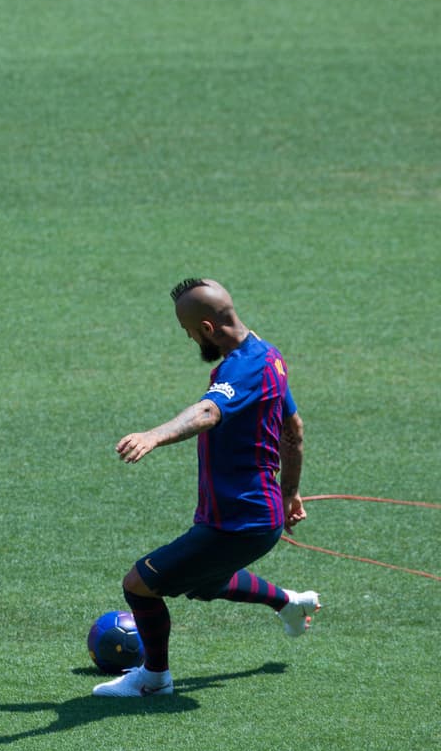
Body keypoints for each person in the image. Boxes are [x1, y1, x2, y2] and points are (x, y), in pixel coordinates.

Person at [92, 278, 320, 697]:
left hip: (239, 521)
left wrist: (154, 435)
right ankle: (290, 602)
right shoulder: (269, 356)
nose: (191, 338)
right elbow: (295, 430)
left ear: (207, 329)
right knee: (203, 582)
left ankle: (154, 679)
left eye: (189, 331)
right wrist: (290, 491)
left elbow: (208, 411)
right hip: (249, 515)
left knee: (138, 584)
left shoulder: (241, 368)